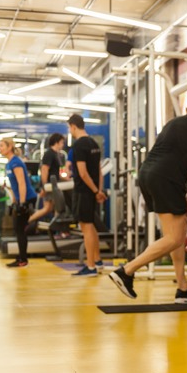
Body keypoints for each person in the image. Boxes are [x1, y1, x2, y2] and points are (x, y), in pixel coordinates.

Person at [109, 96, 187, 302]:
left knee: (176, 235)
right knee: (174, 238)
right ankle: (126, 271)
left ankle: (183, 288)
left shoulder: (173, 122)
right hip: (168, 178)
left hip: (147, 174)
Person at [68, 114, 106, 277]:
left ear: (73, 127)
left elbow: (83, 173)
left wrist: (96, 191)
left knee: (86, 227)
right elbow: (99, 171)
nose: (70, 131)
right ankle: (97, 261)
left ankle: (90, 266)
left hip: (84, 191)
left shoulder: (79, 145)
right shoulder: (93, 143)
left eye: (69, 128)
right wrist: (99, 190)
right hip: (92, 191)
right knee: (91, 226)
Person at [0, 138, 38, 268]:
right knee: (18, 229)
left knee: (20, 229)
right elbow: (14, 185)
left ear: (10, 147)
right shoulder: (9, 163)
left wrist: (22, 203)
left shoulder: (16, 162)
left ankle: (23, 259)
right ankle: (22, 257)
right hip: (21, 198)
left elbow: (22, 183)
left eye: (2, 146)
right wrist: (14, 202)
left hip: (27, 198)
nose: (0, 148)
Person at [28, 133, 66, 226]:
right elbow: (44, 170)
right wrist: (44, 186)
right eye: (61, 142)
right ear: (56, 142)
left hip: (55, 185)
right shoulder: (49, 154)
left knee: (53, 208)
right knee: (50, 208)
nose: (63, 145)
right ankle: (27, 221)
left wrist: (66, 179)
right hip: (49, 185)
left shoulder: (58, 155)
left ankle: (57, 228)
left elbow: (57, 172)